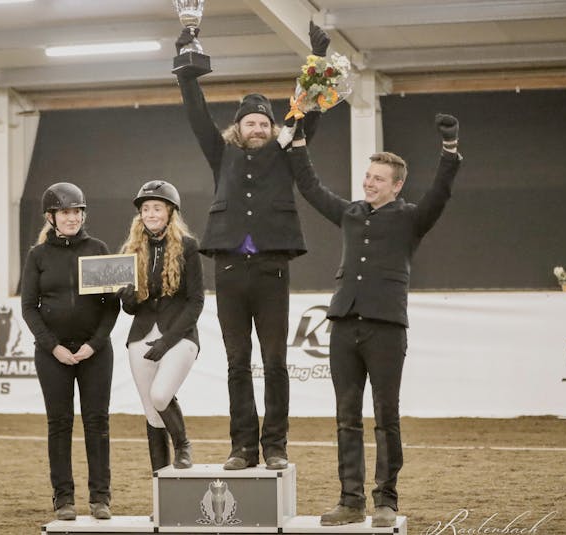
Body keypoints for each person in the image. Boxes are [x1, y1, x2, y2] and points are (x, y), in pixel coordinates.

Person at [287, 115, 462, 527]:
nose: (369, 183)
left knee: (386, 416)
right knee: (346, 418)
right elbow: (311, 188)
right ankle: (350, 500)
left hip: (386, 326)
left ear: (396, 185)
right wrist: (297, 145)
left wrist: (450, 148)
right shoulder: (349, 213)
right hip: (344, 325)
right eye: (368, 176)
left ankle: (385, 499)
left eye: (378, 179)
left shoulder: (411, 218)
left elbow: (441, 192)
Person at [174, 21, 330, 471]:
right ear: (238, 128)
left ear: (271, 126)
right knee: (237, 362)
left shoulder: (286, 150)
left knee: (275, 360)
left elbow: (309, 109)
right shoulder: (219, 152)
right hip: (227, 268)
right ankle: (242, 446)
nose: (258, 128)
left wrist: (317, 58)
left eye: (264, 122)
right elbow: (196, 113)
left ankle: (275, 445)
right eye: (250, 122)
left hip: (272, 268)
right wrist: (186, 67)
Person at [20, 182, 120, 521]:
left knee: (97, 423)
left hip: (96, 353)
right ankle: (63, 499)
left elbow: (111, 306)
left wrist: (95, 344)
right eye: (65, 212)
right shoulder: (37, 256)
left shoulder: (99, 248)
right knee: (59, 424)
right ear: (51, 217)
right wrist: (54, 347)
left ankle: (100, 498)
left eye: (77, 211)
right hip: (53, 355)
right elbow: (29, 308)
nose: (72, 217)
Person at [117, 180, 204, 472]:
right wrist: (126, 299)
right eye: (145, 209)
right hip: (140, 335)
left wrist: (167, 342)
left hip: (179, 336)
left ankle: (183, 446)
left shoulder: (188, 247)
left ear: (170, 212)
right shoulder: (131, 249)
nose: (151, 213)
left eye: (157, 208)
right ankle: (161, 487)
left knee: (160, 395)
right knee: (152, 414)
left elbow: (196, 302)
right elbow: (131, 309)